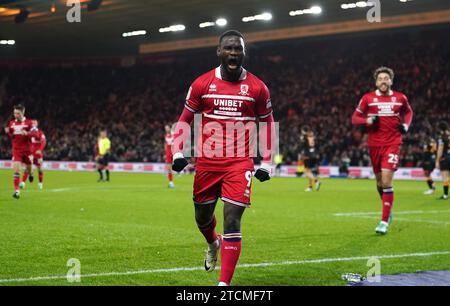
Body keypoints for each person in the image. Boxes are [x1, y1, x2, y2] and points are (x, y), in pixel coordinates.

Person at [171, 30, 275, 286]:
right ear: (219, 52)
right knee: (202, 218)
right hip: (208, 161)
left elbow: (268, 123)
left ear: (244, 53)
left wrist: (269, 161)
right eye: (228, 48)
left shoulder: (257, 87)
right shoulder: (202, 84)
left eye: (238, 49)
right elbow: (185, 119)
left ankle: (223, 285)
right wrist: (177, 150)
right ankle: (212, 242)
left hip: (240, 162)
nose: (233, 53)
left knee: (232, 218)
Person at [351, 66, 413, 235]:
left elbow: (408, 112)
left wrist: (406, 125)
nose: (383, 81)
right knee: (379, 183)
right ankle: (388, 208)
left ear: (391, 81)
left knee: (386, 182)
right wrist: (368, 120)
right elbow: (355, 118)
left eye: (386, 78)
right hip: (374, 145)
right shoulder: (368, 98)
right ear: (376, 82)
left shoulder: (400, 98)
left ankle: (384, 221)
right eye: (380, 79)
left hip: (393, 143)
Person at [4, 104, 36, 199]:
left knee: (29, 169)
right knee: (17, 170)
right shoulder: (11, 123)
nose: (15, 115)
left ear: (23, 112)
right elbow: (13, 136)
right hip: (16, 150)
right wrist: (8, 132)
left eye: (18, 113)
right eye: (14, 113)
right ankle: (17, 192)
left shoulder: (29, 123)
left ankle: (31, 174)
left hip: (28, 151)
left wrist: (28, 133)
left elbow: (35, 133)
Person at [22, 120, 46, 190]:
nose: (34, 124)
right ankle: (23, 183)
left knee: (40, 170)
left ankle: (40, 183)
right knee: (27, 169)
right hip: (30, 154)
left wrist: (40, 149)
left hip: (38, 154)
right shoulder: (29, 133)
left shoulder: (40, 132)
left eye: (35, 123)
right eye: (33, 123)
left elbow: (44, 141)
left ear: (37, 124)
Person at [299, 125, 321, 192]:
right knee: (309, 172)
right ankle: (310, 187)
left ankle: (316, 181)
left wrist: (301, 139)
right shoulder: (312, 136)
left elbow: (302, 146)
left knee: (306, 172)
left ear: (303, 131)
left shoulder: (304, 137)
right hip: (314, 155)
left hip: (307, 156)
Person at [435, 121, 449, 200]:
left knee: (445, 177)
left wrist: (437, 161)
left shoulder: (442, 137)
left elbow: (440, 149)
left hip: (445, 158)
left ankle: (445, 195)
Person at [164, 124, 175, 188]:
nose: (166, 129)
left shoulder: (174, 134)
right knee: (169, 168)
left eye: (167, 128)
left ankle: (182, 171)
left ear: (170, 128)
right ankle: (171, 182)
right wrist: (165, 153)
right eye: (165, 128)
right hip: (168, 151)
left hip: (173, 150)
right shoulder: (165, 136)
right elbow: (165, 144)